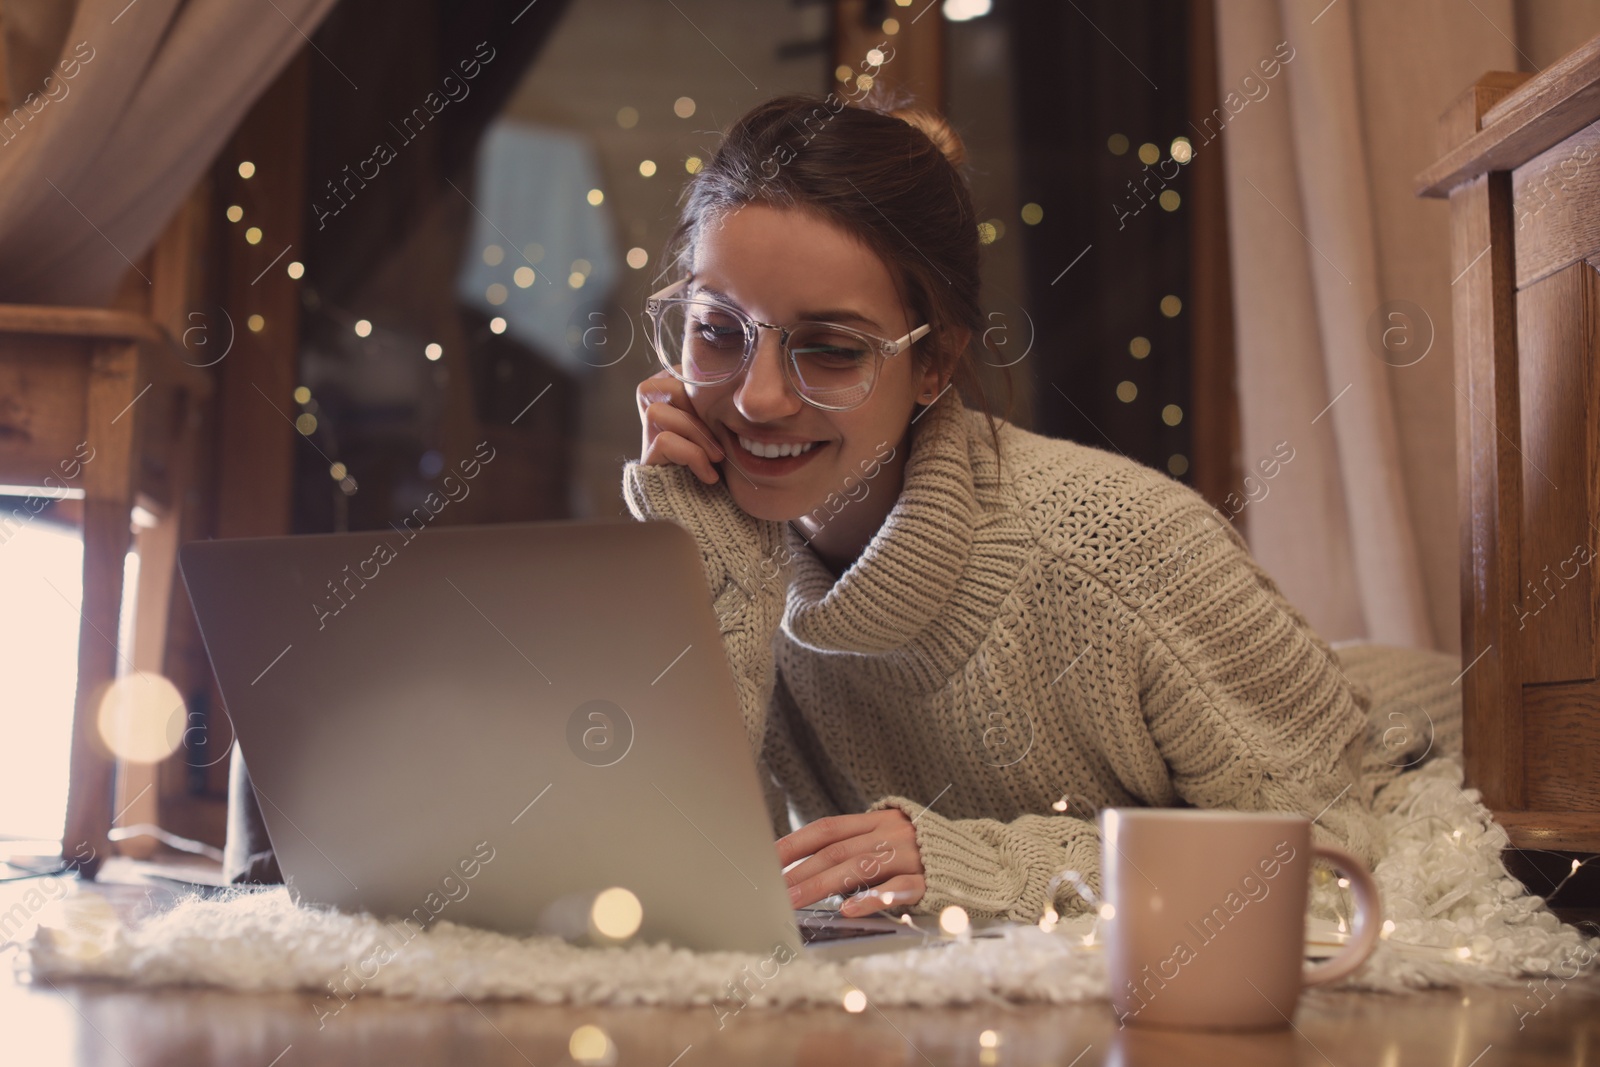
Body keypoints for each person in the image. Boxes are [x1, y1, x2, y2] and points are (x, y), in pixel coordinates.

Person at [622, 90, 1390, 926]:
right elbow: (703, 883)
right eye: (717, 331)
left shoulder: (1122, 545)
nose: (759, 399)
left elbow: (1340, 848)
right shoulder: (729, 547)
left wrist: (988, 864)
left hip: (1413, 733)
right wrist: (706, 579)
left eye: (832, 350)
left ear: (935, 363)